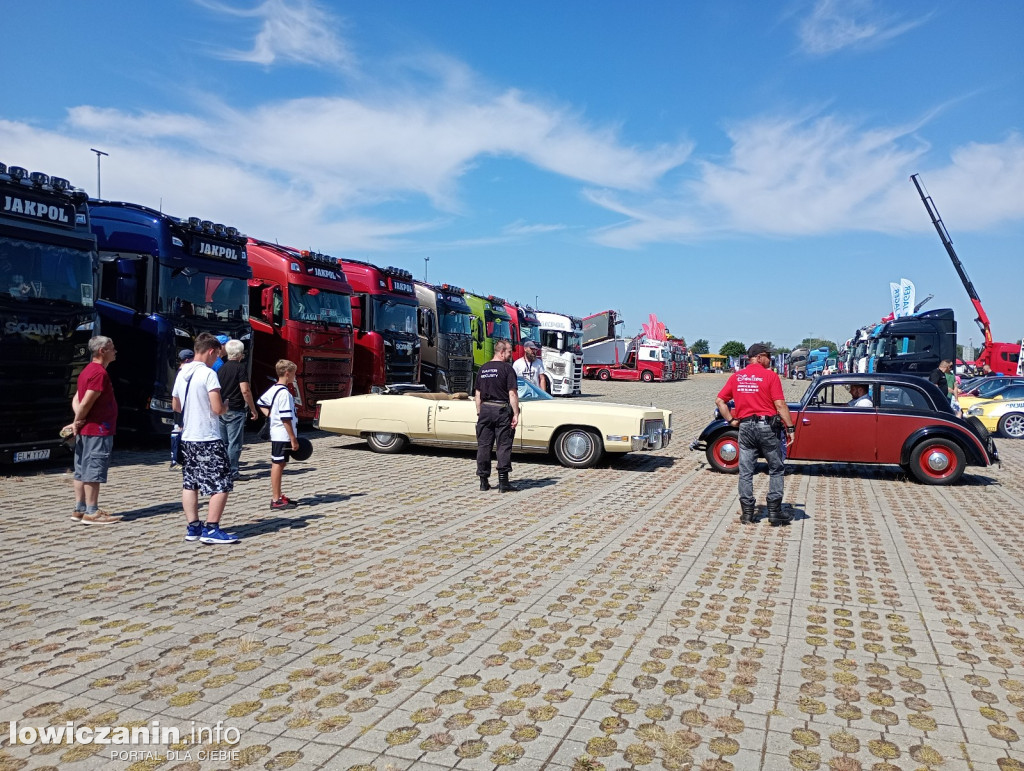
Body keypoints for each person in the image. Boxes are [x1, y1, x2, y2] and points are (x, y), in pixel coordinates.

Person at [715, 343, 796, 526]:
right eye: (768, 356)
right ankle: (774, 512)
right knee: (776, 468)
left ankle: (747, 513)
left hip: (746, 428)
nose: (770, 359)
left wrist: (731, 420)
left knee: (746, 471)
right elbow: (780, 405)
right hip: (767, 427)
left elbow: (720, 401)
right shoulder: (770, 376)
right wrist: (790, 428)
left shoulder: (737, 377)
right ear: (759, 357)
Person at [171, 332, 238, 544]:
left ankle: (193, 527)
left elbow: (176, 406)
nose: (217, 359)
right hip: (207, 436)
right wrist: (225, 405)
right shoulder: (208, 374)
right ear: (211, 351)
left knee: (190, 483)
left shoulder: (182, 373)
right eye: (217, 355)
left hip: (188, 437)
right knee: (221, 483)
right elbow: (217, 408)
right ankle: (212, 528)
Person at [65, 336, 120, 525]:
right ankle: (92, 512)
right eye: (112, 348)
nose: (115, 351)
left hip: (87, 430)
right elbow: (87, 401)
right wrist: (76, 421)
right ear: (102, 351)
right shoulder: (99, 373)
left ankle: (79, 509)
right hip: (97, 429)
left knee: (81, 469)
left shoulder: (86, 371)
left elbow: (76, 399)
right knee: (93, 470)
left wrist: (78, 421)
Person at [474, 340, 520, 493]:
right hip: (501, 410)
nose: (509, 355)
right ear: (501, 352)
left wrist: (480, 412)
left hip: (486, 410)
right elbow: (512, 393)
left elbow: (478, 394)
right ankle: (503, 483)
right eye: (508, 352)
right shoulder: (507, 369)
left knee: (484, 446)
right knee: (503, 445)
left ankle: (483, 481)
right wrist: (516, 413)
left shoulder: (483, 369)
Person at [257, 360, 300, 510]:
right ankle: (275, 499)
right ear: (287, 374)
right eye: (294, 374)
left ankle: (279, 495)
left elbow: (261, 402)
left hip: (279, 433)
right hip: (282, 434)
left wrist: (270, 415)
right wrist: (293, 438)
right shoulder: (284, 394)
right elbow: (285, 418)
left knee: (281, 463)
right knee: (277, 463)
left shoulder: (274, 389)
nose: (295, 377)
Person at [217, 339, 258, 480]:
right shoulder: (240, 368)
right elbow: (245, 390)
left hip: (222, 409)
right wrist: (253, 408)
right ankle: (233, 472)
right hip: (236, 408)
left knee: (224, 443)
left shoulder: (221, 368)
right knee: (235, 443)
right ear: (240, 354)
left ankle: (222, 470)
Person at [169, 349, 194, 470]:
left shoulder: (177, 371)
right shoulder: (184, 373)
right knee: (179, 433)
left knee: (176, 432)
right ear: (189, 360)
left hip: (178, 408)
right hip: (182, 409)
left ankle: (176, 458)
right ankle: (176, 459)